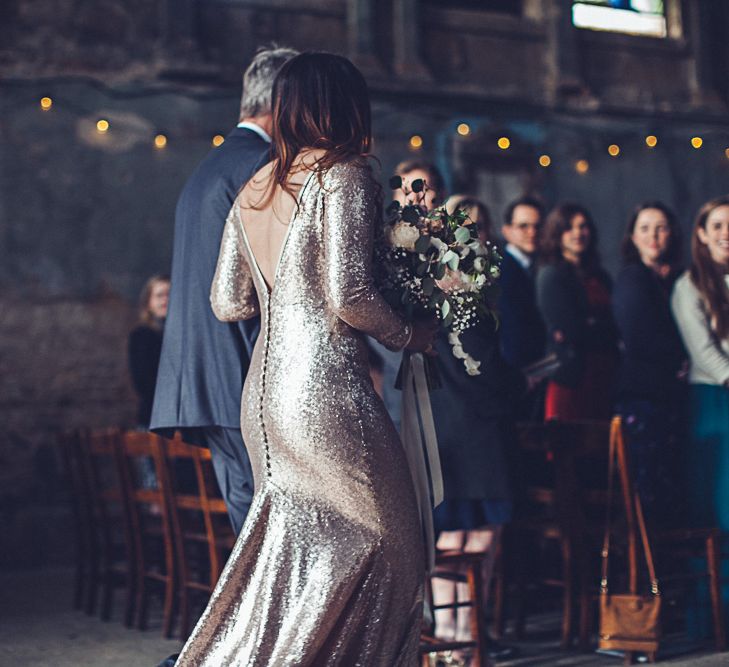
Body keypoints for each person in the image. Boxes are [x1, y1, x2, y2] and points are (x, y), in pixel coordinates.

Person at [170, 52, 436, 666]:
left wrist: (287, 291)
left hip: (264, 396)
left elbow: (227, 302)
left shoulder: (254, 185)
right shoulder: (345, 176)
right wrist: (408, 333)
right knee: (394, 548)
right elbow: (350, 297)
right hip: (325, 387)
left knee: (295, 558)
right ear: (345, 106)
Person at [150, 46, 297, 535]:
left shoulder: (211, 165)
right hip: (242, 374)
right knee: (270, 534)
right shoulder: (263, 166)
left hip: (205, 378)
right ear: (284, 102)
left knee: (251, 533)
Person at [429, 197, 524, 664]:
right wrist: (519, 384)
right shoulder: (452, 290)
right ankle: (455, 634)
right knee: (463, 536)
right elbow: (480, 366)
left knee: (469, 535)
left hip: (460, 427)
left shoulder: (461, 287)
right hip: (467, 427)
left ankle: (459, 633)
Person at [671, 196, 729, 636]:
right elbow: (703, 353)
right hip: (714, 403)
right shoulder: (689, 284)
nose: (726, 232)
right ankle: (711, 615)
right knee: (718, 509)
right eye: (718, 225)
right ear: (703, 234)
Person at [613, 202, 687, 526]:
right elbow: (640, 338)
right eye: (644, 228)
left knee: (673, 488)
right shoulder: (633, 277)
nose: (653, 235)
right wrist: (682, 359)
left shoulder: (675, 278)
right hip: (644, 398)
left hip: (670, 395)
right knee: (649, 491)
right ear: (632, 236)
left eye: (661, 227)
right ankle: (647, 573)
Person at [536, 203, 619, 421]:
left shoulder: (600, 275)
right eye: (569, 228)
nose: (577, 233)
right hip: (571, 379)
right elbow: (570, 331)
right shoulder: (551, 275)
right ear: (557, 233)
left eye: (583, 227)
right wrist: (601, 327)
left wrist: (594, 324)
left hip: (605, 375)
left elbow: (618, 324)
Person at [498, 196, 547, 420]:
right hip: (519, 376)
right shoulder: (504, 269)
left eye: (537, 226)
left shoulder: (534, 267)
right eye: (523, 226)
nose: (532, 232)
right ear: (507, 231)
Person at [128, 275, 170, 428]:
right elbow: (142, 383)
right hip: (155, 416)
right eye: (159, 295)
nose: (165, 300)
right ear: (149, 303)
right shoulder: (141, 336)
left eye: (169, 294)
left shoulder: (186, 335)